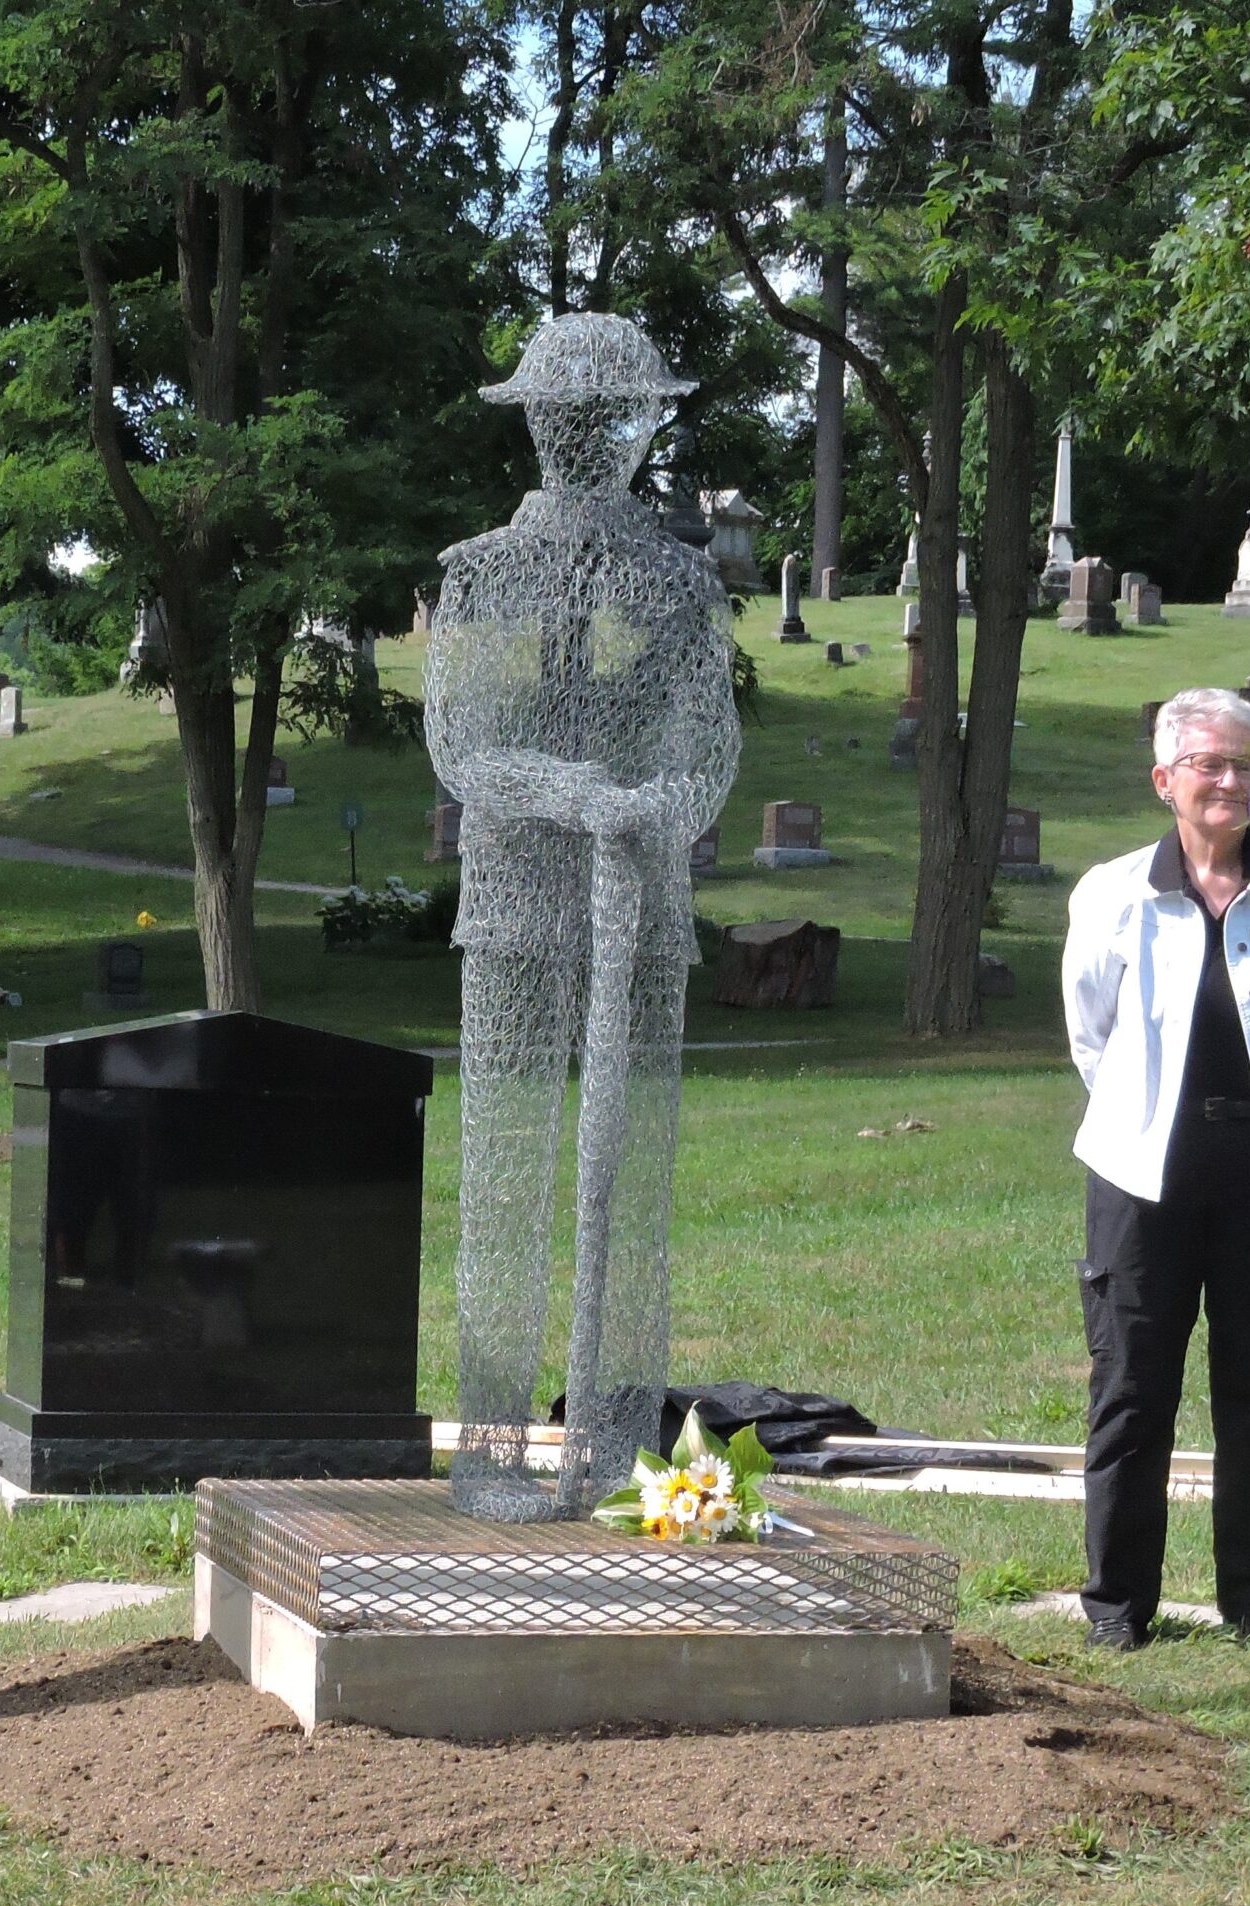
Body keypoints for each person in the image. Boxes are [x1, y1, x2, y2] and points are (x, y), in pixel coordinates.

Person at [422, 312, 741, 1521]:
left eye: (610, 415)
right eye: (568, 414)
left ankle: (608, 1445)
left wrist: (655, 802)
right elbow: (461, 741)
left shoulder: (676, 576)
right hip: (514, 898)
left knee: (633, 1184)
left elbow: (703, 735)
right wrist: (578, 795)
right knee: (505, 1174)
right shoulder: (481, 570)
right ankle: (496, 1448)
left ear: (638, 425)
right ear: (539, 421)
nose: (587, 434)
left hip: (642, 895)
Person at [1059, 686, 1250, 1654]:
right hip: (1143, 1170)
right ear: (1164, 781)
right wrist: (1153, 1119)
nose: (1231, 781)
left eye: (1245, 763)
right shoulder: (1110, 891)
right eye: (1208, 764)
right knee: (1132, 1387)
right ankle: (1116, 1604)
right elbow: (1089, 1035)